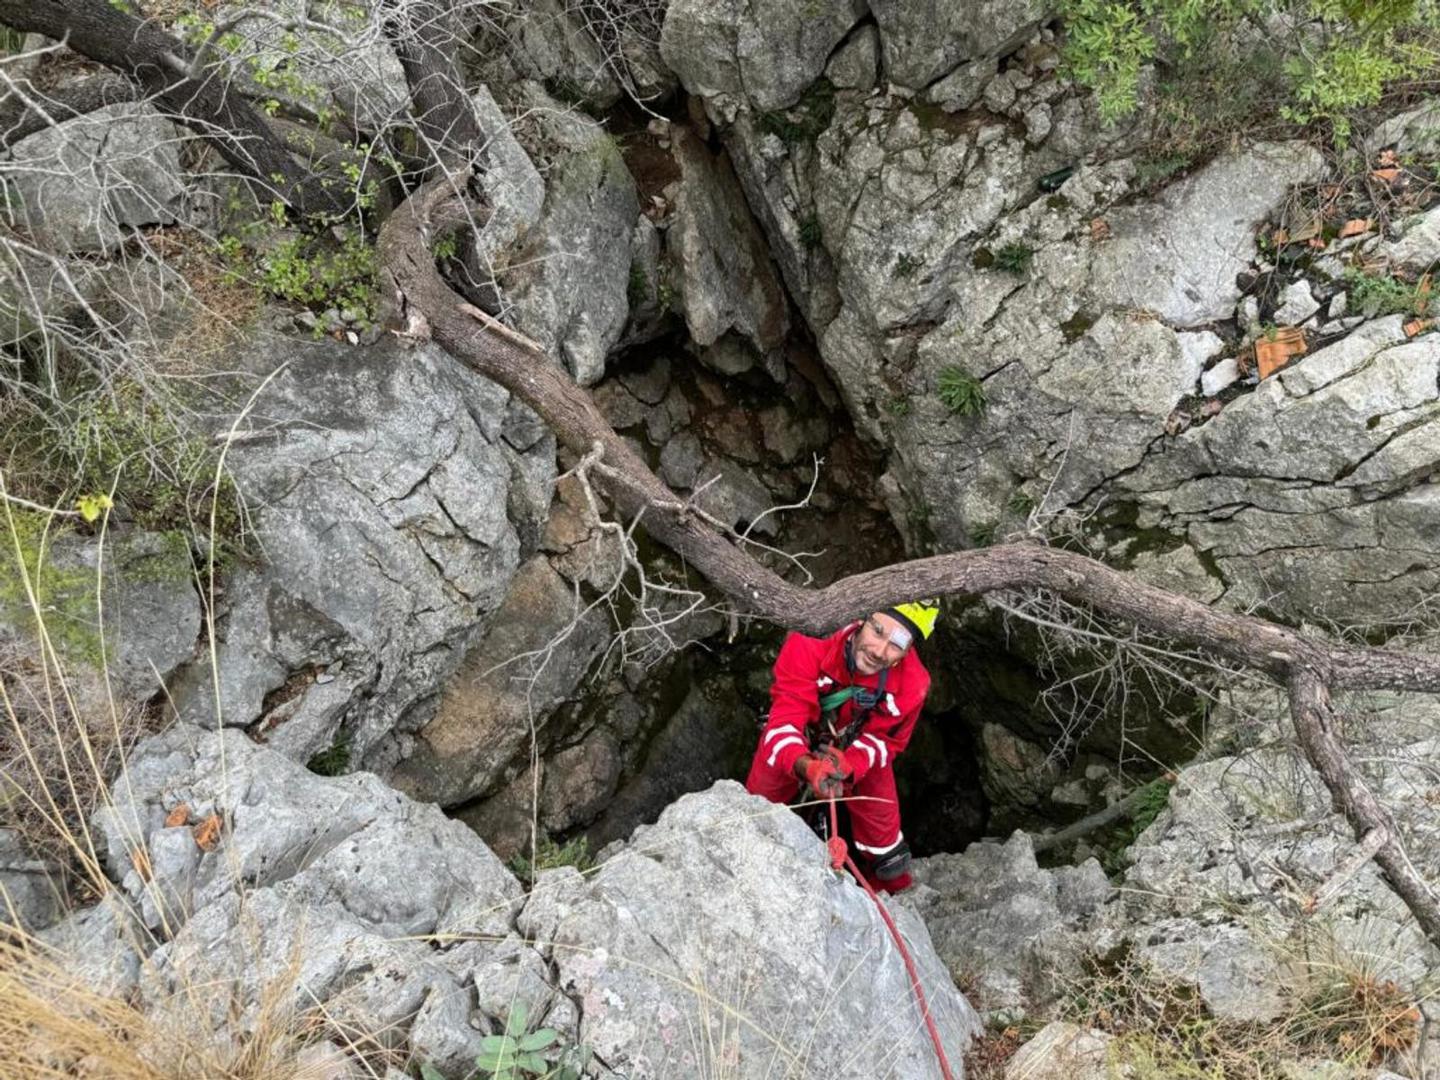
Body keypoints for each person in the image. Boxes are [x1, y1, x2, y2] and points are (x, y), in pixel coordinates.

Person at [744, 601, 939, 893]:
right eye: (877, 630)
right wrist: (805, 766)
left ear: (909, 649)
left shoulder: (913, 683)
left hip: (854, 751)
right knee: (754, 814)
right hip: (800, 736)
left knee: (887, 848)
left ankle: (888, 894)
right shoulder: (812, 639)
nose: (879, 651)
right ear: (862, 618)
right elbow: (785, 720)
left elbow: (886, 742)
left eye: (896, 644)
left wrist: (852, 766)